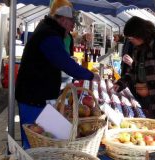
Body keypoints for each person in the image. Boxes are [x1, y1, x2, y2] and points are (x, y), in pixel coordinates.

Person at [15, 0, 100, 149]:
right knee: (33, 140)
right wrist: (91, 75)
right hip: (33, 97)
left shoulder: (48, 30)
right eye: (71, 23)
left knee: (44, 138)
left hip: (35, 95)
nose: (72, 27)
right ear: (62, 20)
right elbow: (65, 63)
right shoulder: (49, 35)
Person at [113, 17, 155, 139]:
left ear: (139, 34)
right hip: (144, 101)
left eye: (131, 38)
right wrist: (121, 83)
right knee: (145, 138)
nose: (130, 41)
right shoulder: (139, 49)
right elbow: (133, 71)